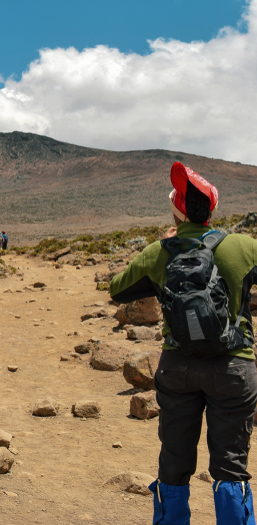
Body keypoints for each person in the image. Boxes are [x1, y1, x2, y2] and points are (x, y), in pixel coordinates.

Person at [110, 162, 257, 524]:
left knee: (174, 461)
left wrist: (162, 261)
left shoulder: (160, 250)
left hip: (178, 367)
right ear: (213, 211)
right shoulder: (244, 246)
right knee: (231, 466)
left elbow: (117, 289)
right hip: (234, 367)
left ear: (177, 209)